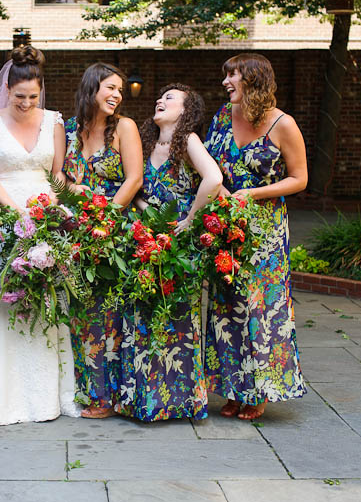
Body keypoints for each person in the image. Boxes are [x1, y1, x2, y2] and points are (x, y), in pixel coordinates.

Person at [0, 45, 83, 428]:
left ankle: (48, 395)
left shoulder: (54, 121)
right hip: (5, 217)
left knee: (48, 300)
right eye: (20, 97)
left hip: (47, 217)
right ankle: (3, 396)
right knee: (4, 298)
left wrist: (64, 202)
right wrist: (17, 213)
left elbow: (58, 173)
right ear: (7, 90)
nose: (27, 103)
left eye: (33, 97)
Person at [204, 53, 308, 420]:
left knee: (261, 308)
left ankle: (260, 389)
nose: (226, 82)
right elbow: (207, 165)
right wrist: (218, 197)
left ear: (254, 80)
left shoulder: (283, 124)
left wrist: (254, 193)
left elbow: (299, 178)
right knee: (226, 304)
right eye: (225, 75)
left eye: (232, 75)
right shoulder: (221, 117)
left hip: (264, 228)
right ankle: (234, 389)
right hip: (224, 224)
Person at [119, 83, 222, 421]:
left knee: (176, 320)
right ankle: (143, 400)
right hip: (145, 241)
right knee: (141, 318)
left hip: (178, 245)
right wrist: (140, 207)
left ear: (187, 109)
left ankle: (179, 401)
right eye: (160, 96)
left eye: (171, 98)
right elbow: (135, 184)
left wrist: (190, 218)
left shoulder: (188, 140)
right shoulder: (147, 142)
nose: (160, 100)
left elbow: (214, 178)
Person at [63, 62, 143, 418]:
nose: (116, 95)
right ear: (91, 87)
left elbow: (134, 179)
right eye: (110, 87)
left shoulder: (124, 127)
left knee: (111, 314)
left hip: (114, 231)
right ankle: (87, 389)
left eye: (120, 90)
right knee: (82, 313)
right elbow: (55, 178)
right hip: (76, 232)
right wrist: (71, 197)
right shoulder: (68, 130)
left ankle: (110, 396)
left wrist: (106, 216)